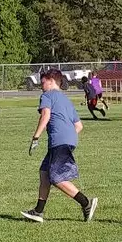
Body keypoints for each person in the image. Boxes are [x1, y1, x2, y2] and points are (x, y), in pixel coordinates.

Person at [21, 68, 98, 223]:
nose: (41, 86)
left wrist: (35, 137)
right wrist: (68, 136)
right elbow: (79, 126)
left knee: (56, 177)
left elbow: (45, 115)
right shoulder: (65, 99)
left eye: (43, 82)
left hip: (59, 142)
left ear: (51, 80)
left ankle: (86, 203)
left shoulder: (47, 96)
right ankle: (38, 211)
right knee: (44, 173)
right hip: (67, 140)